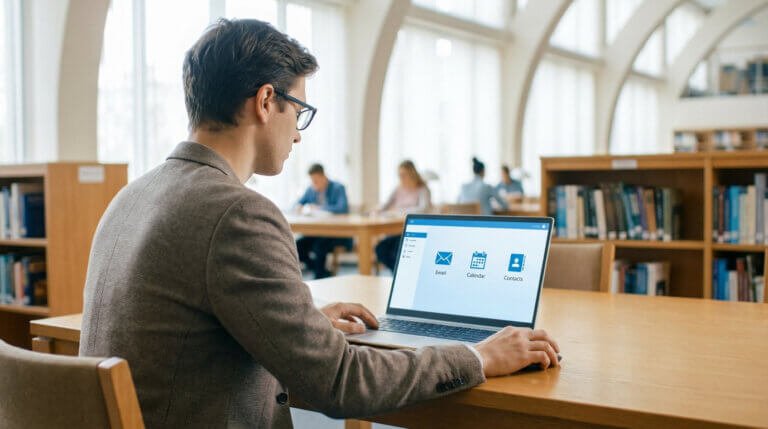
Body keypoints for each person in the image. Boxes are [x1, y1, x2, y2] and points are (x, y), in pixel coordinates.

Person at [79, 19, 560, 428]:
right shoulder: (238, 212)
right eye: (300, 112)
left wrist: (299, 321)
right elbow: (340, 382)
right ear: (266, 101)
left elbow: (189, 318)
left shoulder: (130, 196)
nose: (298, 136)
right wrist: (478, 356)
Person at [295, 163, 352, 279]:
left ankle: (319, 275)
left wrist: (319, 208)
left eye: (316, 180)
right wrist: (299, 206)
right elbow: (298, 203)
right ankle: (322, 272)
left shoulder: (338, 188)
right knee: (296, 246)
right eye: (312, 181)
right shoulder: (311, 190)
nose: (314, 183)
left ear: (323, 176)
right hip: (317, 232)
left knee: (319, 246)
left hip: (337, 233)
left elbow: (342, 208)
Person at [374, 160, 431, 272]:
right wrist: (378, 210)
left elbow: (423, 209)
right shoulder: (398, 189)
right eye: (399, 175)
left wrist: (400, 211)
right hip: (394, 229)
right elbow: (386, 204)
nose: (401, 177)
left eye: (404, 174)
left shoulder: (422, 189)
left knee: (397, 251)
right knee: (380, 249)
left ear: (412, 174)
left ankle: (401, 273)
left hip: (411, 229)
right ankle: (397, 272)